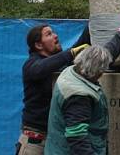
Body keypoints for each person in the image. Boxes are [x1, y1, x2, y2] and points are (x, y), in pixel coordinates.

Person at [44, 12, 120, 155]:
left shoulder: (73, 70)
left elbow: (104, 54)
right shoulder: (78, 96)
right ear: (98, 73)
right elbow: (77, 139)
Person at [16, 24, 92, 154]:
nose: (56, 36)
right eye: (49, 34)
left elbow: (82, 42)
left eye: (53, 32)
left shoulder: (60, 63)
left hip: (55, 143)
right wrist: (71, 53)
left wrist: (93, 22)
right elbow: (40, 69)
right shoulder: (31, 65)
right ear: (39, 45)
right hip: (34, 145)